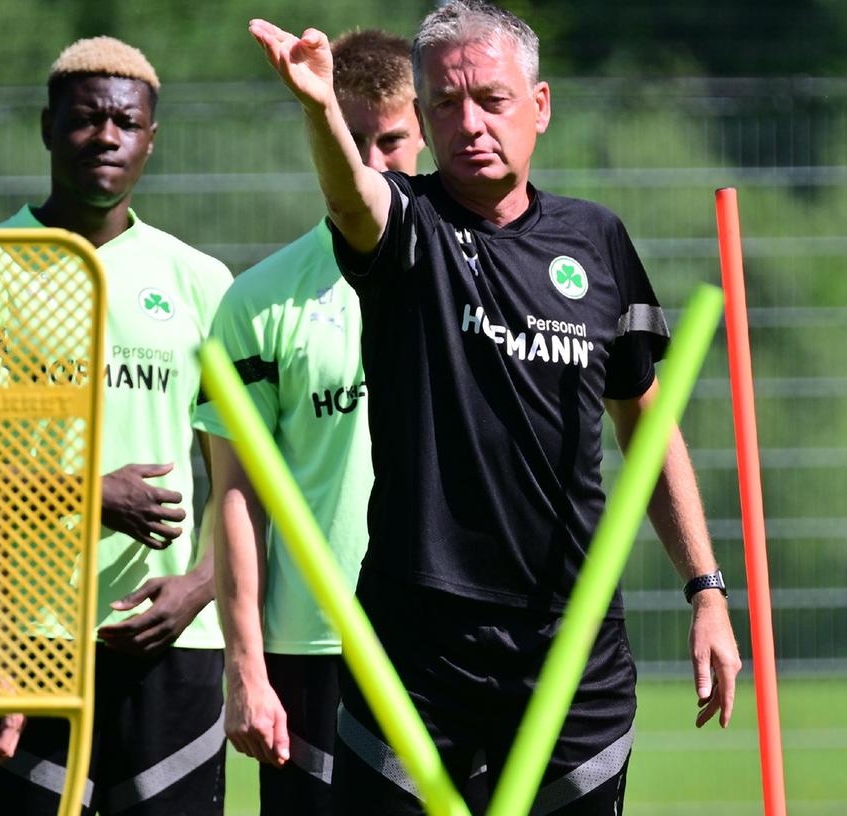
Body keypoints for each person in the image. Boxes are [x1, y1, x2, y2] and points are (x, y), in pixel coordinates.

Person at [248, 2, 743, 813]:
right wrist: (319, 112)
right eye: (443, 104)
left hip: (569, 644)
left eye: (491, 99)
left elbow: (646, 427)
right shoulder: (410, 228)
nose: (468, 123)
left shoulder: (596, 240)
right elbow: (353, 200)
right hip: (419, 644)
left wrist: (706, 591)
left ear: (539, 106)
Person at [0, 37, 234, 815]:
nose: (107, 137)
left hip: (169, 639)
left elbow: (240, 477)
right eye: (87, 120)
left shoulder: (199, 281)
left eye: (127, 122)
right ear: (48, 126)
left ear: (151, 138)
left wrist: (200, 585)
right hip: (20, 641)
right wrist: (86, 492)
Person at [195, 29, 424, 816]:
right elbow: (235, 495)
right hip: (311, 650)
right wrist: (247, 670)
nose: (368, 161)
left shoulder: (482, 276)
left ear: (424, 126)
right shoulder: (259, 301)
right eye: (346, 138)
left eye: (388, 140)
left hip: (446, 640)